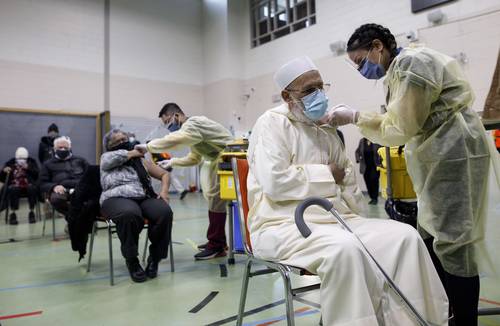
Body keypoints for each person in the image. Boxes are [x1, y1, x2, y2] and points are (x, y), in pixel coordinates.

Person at [247, 56, 448, 326]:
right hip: (283, 224)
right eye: (308, 90)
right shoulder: (271, 124)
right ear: (287, 95)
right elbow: (275, 182)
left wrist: (359, 218)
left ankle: (415, 321)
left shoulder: (326, 130)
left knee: (405, 236)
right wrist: (327, 173)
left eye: (320, 87)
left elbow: (348, 181)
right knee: (345, 249)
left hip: (337, 220)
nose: (318, 95)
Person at [328, 23, 500, 326]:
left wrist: (355, 117)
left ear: (378, 47)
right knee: (435, 235)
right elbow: (403, 123)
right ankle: (447, 309)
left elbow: (400, 128)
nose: (361, 70)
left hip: (454, 152)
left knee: (453, 241)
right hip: (439, 153)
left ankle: (464, 320)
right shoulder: (398, 72)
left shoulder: (411, 65)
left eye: (360, 61)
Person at [135, 102, 234, 260]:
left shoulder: (194, 123)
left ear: (176, 116)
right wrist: (172, 162)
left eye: (168, 122)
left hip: (229, 159)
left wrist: (149, 146)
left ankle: (217, 245)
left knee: (216, 201)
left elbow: (178, 139)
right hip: (221, 160)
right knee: (215, 201)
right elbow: (195, 158)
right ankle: (218, 241)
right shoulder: (193, 131)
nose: (168, 127)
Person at [100, 129, 173, 282]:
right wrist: (134, 151)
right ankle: (132, 260)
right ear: (109, 146)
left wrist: (164, 192)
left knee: (164, 212)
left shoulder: (140, 160)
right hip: (115, 198)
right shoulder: (106, 157)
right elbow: (115, 157)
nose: (122, 143)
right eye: (117, 141)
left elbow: (164, 174)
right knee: (129, 214)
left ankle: (155, 258)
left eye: (124, 139)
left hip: (143, 197)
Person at [39, 136, 88, 218]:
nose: (63, 150)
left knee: (95, 198)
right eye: (60, 147)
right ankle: (75, 217)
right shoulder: (47, 164)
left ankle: (75, 219)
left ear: (70, 148)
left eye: (65, 147)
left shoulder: (81, 160)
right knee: (56, 200)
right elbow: (42, 183)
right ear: (54, 148)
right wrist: (54, 187)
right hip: (62, 191)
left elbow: (90, 175)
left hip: (81, 189)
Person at [0, 147, 39, 224]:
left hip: (28, 184)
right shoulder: (10, 163)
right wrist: (4, 171)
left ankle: (31, 212)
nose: (21, 159)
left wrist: (28, 168)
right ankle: (13, 214)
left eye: (24, 158)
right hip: (15, 184)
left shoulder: (32, 162)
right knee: (12, 189)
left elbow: (38, 174)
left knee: (32, 189)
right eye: (19, 158)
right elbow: (2, 178)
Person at [355, 137, 381, 204]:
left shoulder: (376, 140)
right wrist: (358, 159)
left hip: (375, 166)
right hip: (365, 167)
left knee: (374, 181)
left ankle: (375, 198)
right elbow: (357, 152)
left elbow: (381, 151)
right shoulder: (362, 141)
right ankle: (372, 197)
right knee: (368, 182)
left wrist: (380, 161)